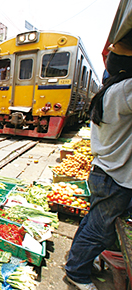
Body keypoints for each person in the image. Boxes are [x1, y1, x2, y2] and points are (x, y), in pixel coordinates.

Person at [65, 32, 132, 290]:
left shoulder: (110, 90)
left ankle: (80, 261)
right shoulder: (125, 89)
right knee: (99, 228)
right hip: (115, 175)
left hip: (105, 170)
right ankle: (76, 271)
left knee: (92, 222)